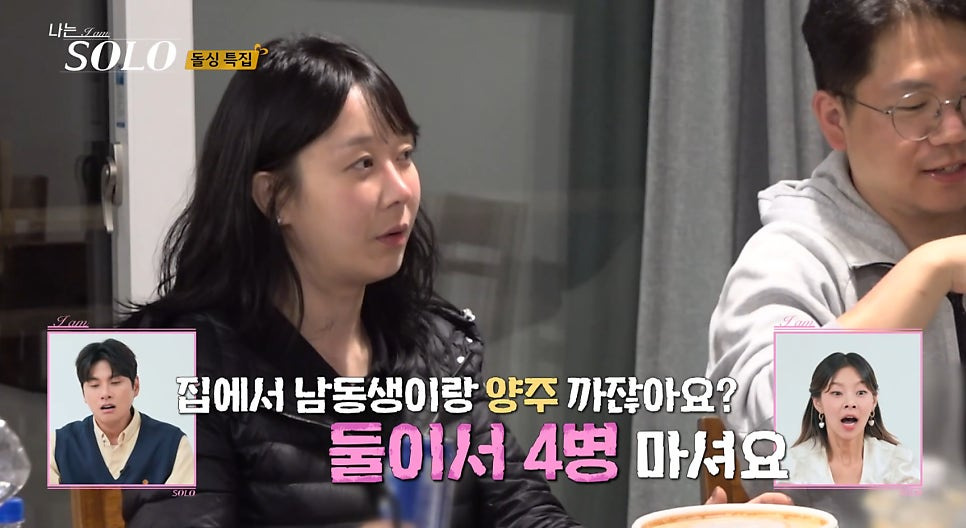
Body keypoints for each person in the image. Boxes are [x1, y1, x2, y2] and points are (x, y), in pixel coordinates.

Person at [119, 34, 789, 527]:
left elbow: (522, 509)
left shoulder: (436, 348)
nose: (400, 191)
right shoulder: (165, 365)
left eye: (404, 156)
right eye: (362, 164)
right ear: (276, 197)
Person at [708, 0, 966, 442]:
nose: (954, 130)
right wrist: (929, 271)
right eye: (915, 106)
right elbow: (775, 435)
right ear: (835, 119)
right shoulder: (795, 259)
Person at [49, 339, 195, 485]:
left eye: (115, 383)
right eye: (94, 385)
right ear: (83, 393)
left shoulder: (173, 444)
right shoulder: (58, 445)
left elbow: (179, 500)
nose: (105, 394)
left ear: (135, 386)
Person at [784, 352, 918, 485]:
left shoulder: (897, 464)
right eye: (837, 393)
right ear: (818, 403)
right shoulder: (793, 465)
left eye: (861, 392)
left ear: (873, 401)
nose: (850, 403)